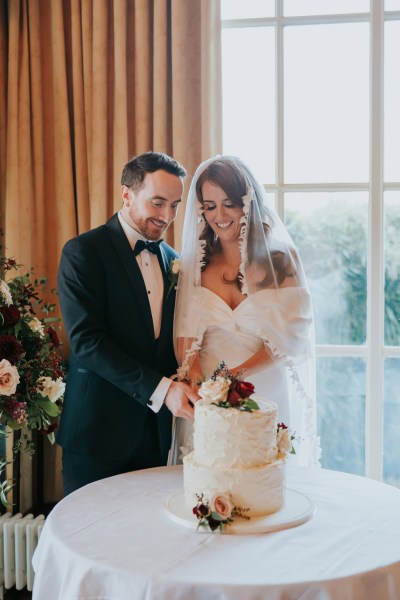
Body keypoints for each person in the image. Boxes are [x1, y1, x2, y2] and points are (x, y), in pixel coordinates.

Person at [57, 151, 198, 495]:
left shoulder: (175, 261)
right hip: (97, 436)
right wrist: (163, 390)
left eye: (175, 205)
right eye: (158, 202)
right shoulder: (83, 252)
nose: (167, 216)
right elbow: (87, 343)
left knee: (147, 543)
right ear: (127, 194)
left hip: (155, 436)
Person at [169, 155, 320, 466]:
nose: (219, 216)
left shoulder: (281, 260)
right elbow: (185, 338)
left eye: (229, 204)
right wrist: (199, 379)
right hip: (207, 397)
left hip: (263, 386)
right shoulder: (196, 265)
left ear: (247, 202)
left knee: (259, 480)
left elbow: (290, 339)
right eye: (209, 206)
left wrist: (233, 378)